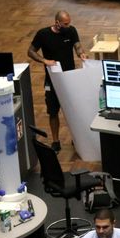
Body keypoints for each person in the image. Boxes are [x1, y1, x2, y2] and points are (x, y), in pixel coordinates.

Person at [27, 10, 87, 151]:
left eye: (69, 23)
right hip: (52, 79)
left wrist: (81, 53)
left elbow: (77, 45)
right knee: (53, 112)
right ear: (57, 23)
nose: (68, 26)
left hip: (69, 78)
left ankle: (76, 137)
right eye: (65, 24)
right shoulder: (43, 34)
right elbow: (30, 51)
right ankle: (55, 140)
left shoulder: (71, 31)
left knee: (74, 110)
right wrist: (44, 60)